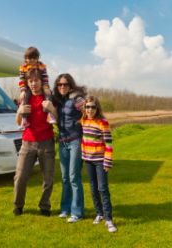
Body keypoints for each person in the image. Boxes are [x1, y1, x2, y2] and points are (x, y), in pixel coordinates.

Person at [13, 68, 57, 217]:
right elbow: (18, 122)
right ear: (27, 82)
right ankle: (18, 205)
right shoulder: (25, 97)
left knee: (48, 178)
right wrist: (19, 111)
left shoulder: (49, 97)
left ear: (41, 81)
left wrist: (52, 109)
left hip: (46, 143)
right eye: (30, 81)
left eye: (36, 81)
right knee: (20, 176)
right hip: (27, 143)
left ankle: (44, 205)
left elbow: (58, 120)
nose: (33, 84)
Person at [80, 96, 117, 233]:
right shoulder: (83, 121)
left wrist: (107, 161)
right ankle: (99, 213)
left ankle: (108, 219)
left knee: (103, 188)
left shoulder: (103, 122)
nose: (90, 109)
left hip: (100, 161)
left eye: (93, 107)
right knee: (93, 188)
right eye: (87, 107)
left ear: (97, 108)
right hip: (88, 160)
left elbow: (108, 144)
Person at [53, 73, 86, 223]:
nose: (62, 87)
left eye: (65, 84)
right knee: (65, 178)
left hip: (75, 141)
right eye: (59, 84)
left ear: (70, 85)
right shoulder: (58, 100)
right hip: (62, 142)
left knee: (74, 177)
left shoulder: (77, 99)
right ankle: (65, 209)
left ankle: (77, 212)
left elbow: (90, 110)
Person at [18, 46, 55, 128]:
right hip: (27, 88)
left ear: (38, 58)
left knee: (49, 95)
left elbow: (45, 77)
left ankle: (50, 114)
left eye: (34, 58)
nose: (32, 61)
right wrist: (23, 90)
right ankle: (24, 119)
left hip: (41, 85)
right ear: (26, 58)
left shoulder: (41, 66)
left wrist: (46, 87)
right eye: (29, 58)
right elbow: (21, 80)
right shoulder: (23, 67)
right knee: (25, 99)